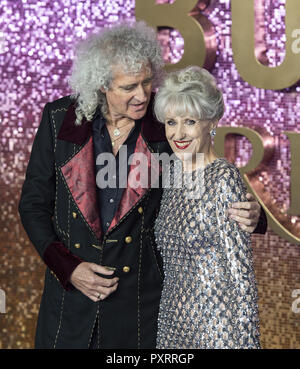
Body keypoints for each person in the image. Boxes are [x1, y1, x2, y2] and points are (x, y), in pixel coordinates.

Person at [18, 22, 265, 349]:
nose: (142, 95)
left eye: (148, 82)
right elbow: (33, 206)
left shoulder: (164, 123)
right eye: (129, 86)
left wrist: (253, 215)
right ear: (102, 84)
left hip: (138, 310)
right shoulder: (59, 119)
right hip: (68, 307)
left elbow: (206, 181)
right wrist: (69, 267)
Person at [153, 66, 260, 349]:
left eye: (189, 121)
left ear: (211, 122)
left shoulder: (224, 178)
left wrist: (247, 342)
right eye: (171, 122)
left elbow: (241, 276)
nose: (178, 133)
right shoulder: (173, 171)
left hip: (216, 329)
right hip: (171, 326)